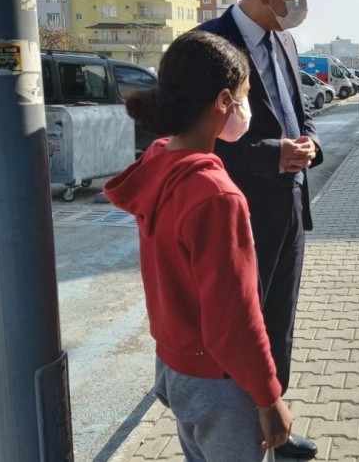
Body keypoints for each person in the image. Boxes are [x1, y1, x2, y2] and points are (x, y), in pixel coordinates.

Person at [104, 31, 292, 461]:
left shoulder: (158, 160)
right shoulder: (215, 194)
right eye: (243, 98)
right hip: (220, 381)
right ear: (224, 101)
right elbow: (235, 316)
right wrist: (268, 396)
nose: (245, 110)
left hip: (175, 365)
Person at [198, 0, 321, 461]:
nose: (304, 3)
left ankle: (278, 423)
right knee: (241, 326)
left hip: (289, 205)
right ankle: (242, 436)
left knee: (279, 321)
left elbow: (298, 111)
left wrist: (310, 144)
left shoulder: (286, 41)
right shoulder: (207, 46)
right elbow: (194, 140)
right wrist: (274, 153)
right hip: (238, 212)